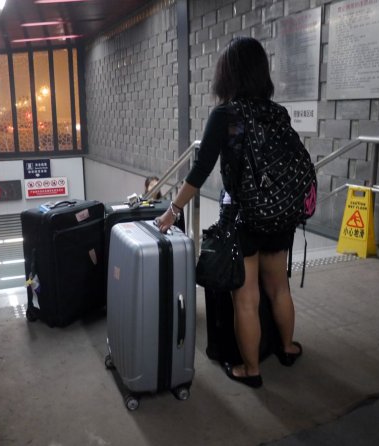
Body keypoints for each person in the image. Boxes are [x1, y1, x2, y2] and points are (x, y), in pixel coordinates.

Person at [155, 37, 302, 389]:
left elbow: (200, 170)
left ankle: (251, 370)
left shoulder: (226, 116)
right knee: (279, 287)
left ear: (228, 76)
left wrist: (173, 211)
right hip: (280, 214)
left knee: (246, 298)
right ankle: (287, 347)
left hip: (244, 216)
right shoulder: (277, 112)